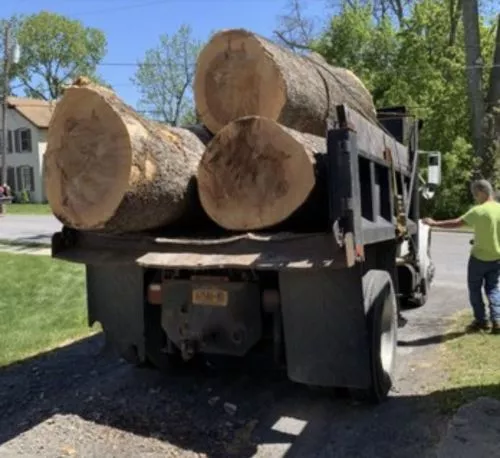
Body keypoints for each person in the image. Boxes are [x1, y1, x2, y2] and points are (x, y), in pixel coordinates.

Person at [423, 179, 500, 335]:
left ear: (482, 192)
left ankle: (481, 321)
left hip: (479, 258)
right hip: (496, 258)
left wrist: (434, 223)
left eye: (475, 194)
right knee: (493, 289)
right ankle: (497, 320)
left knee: (475, 290)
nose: (475, 197)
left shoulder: (479, 211)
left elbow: (456, 223)